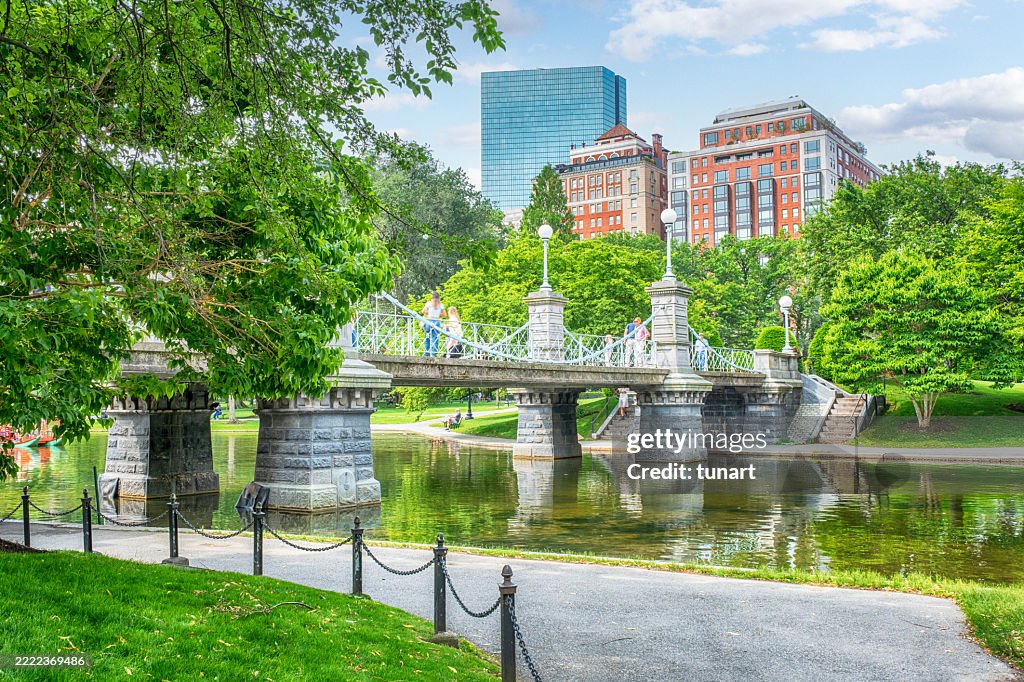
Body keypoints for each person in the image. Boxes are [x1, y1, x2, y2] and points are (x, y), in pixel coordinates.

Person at [421, 291, 446, 357]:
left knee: (427, 337)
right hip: (437, 321)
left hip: (429, 320)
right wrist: (438, 314)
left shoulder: (429, 303)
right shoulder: (441, 305)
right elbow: (444, 315)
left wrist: (428, 312)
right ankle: (434, 354)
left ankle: (426, 353)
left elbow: (423, 311)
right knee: (436, 338)